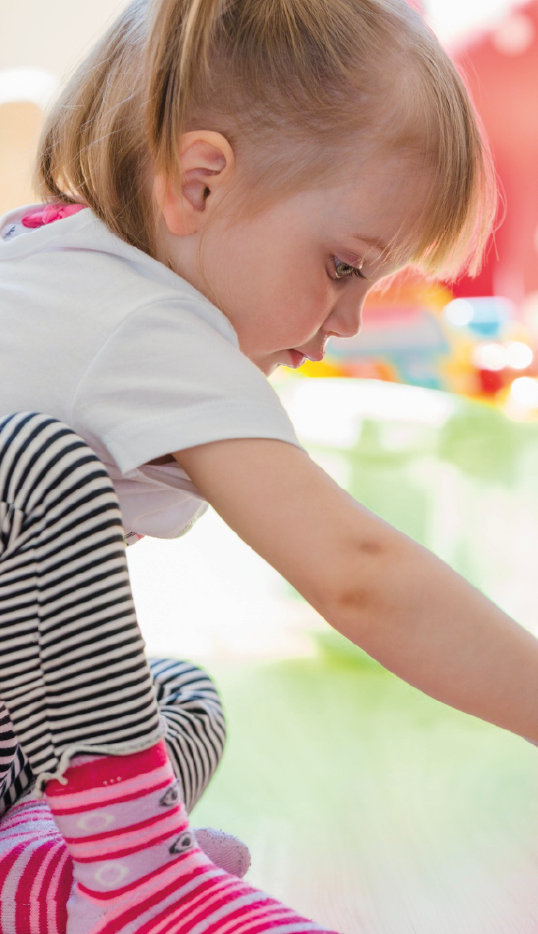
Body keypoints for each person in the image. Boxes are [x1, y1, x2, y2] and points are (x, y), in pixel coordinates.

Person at [0, 0, 535, 931]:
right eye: (342, 266)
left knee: (179, 698)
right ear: (199, 183)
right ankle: (130, 877)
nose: (348, 323)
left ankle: (49, 866)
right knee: (36, 464)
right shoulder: (144, 321)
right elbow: (360, 576)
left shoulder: (53, 254)